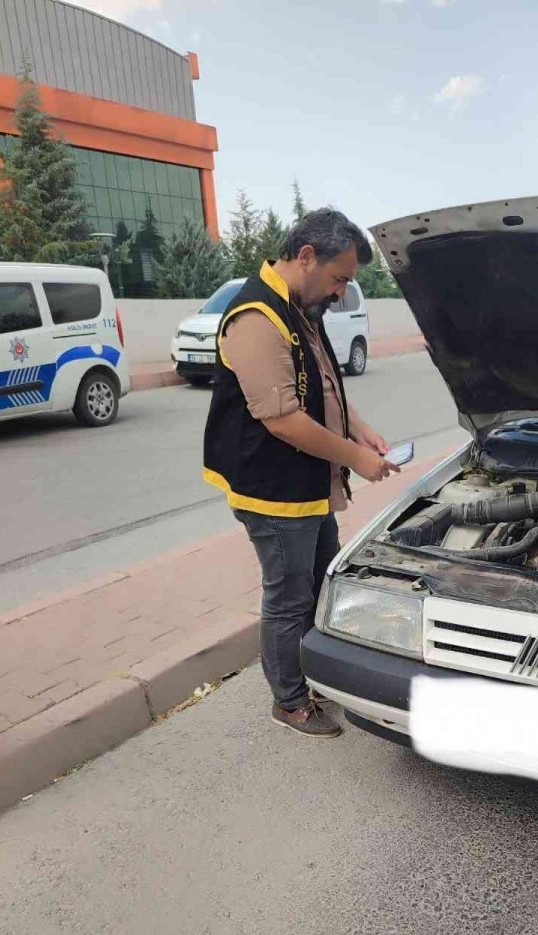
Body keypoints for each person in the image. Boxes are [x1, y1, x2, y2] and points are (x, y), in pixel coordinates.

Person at [203, 209, 398, 739]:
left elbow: (326, 383)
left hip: (308, 484)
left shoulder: (302, 305)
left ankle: (308, 677)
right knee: (289, 598)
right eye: (340, 279)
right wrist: (357, 460)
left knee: (318, 585)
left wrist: (360, 431)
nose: (341, 292)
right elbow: (283, 418)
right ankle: (288, 701)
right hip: (274, 492)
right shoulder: (255, 317)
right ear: (307, 256)